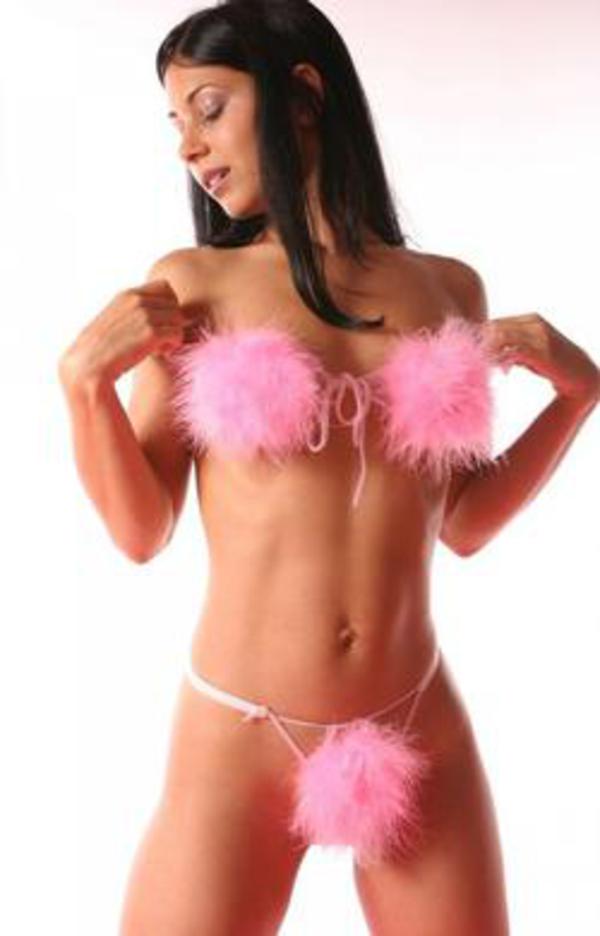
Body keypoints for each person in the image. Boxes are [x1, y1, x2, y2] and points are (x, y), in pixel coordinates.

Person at [58, 1, 600, 933]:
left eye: (210, 107)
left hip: (412, 722)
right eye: (177, 121)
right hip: (240, 734)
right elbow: (142, 530)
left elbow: (462, 521)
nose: (188, 144)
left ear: (303, 95)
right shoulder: (194, 285)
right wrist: (83, 386)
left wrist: (576, 398)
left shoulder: (448, 288)